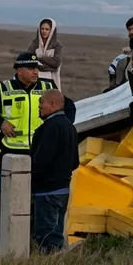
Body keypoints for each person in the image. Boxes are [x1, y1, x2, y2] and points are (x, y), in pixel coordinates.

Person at [0, 52, 75, 249]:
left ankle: (32, 242)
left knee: (38, 201)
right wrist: (0, 122)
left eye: (37, 68)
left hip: (39, 155)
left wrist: (60, 128)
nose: (36, 72)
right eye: (31, 69)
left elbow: (68, 107)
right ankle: (1, 242)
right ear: (19, 71)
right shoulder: (3, 89)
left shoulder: (48, 87)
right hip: (12, 155)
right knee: (8, 200)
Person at [30, 89, 79, 254]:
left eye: (41, 103)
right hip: (63, 189)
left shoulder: (49, 128)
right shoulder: (70, 127)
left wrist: (32, 174)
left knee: (47, 236)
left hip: (46, 191)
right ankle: (58, 262)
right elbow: (75, 162)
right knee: (57, 231)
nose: (39, 107)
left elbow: (41, 161)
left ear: (52, 104)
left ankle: (50, 264)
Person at [26, 18, 63, 89]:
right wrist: (50, 66)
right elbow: (29, 61)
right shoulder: (34, 44)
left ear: (52, 31)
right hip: (35, 78)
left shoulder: (57, 46)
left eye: (47, 29)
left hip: (52, 79)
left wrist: (40, 58)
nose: (44, 31)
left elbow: (57, 63)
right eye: (42, 29)